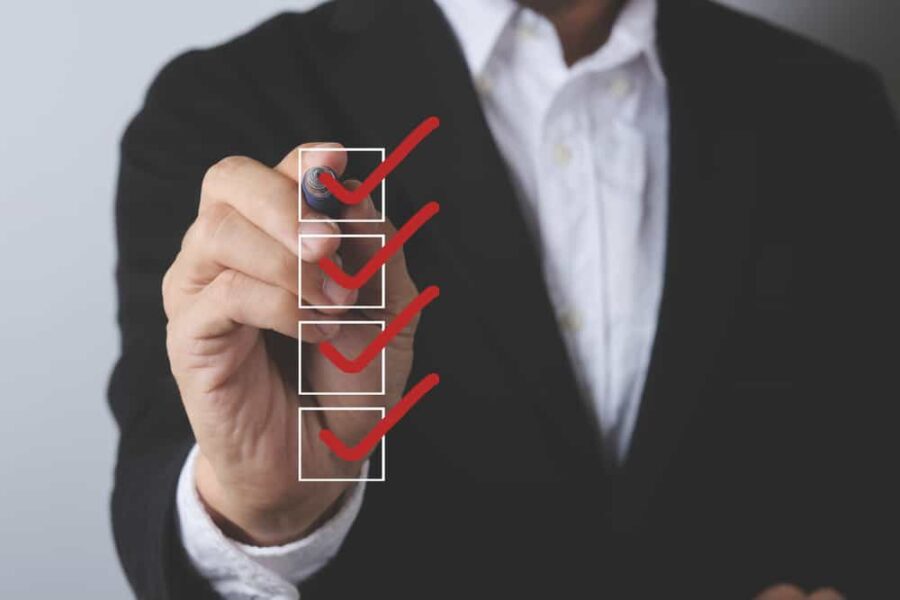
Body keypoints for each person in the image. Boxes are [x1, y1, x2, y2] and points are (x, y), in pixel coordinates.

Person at [109, 0, 899, 597]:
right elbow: (156, 490)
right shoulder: (222, 107)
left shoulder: (831, 113)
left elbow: (862, 472)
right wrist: (260, 512)